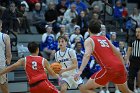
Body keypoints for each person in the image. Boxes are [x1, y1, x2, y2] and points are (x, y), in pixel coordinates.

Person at [74, 20, 133, 93]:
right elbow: (118, 53)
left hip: (109, 69)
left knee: (84, 89)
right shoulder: (104, 38)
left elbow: (87, 55)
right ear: (99, 30)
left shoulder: (89, 40)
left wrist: (80, 71)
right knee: (126, 91)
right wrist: (124, 67)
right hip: (119, 66)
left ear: (88, 30)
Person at [126, 27, 140, 92]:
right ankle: (130, 91)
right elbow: (129, 50)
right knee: (131, 77)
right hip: (134, 59)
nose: (137, 33)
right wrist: (127, 59)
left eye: (139, 32)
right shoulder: (132, 39)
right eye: (136, 32)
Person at [0, 20, 12, 93]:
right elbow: (8, 53)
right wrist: (8, 63)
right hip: (1, 65)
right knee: (3, 85)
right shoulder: (5, 36)